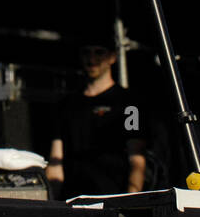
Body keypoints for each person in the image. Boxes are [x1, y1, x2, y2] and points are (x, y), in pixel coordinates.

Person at [46, 44, 147, 198]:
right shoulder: (66, 105)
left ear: (112, 57)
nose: (92, 59)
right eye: (87, 52)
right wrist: (51, 204)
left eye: (99, 52)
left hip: (113, 197)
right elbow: (56, 161)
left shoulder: (129, 103)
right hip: (74, 199)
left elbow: (136, 157)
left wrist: (132, 199)